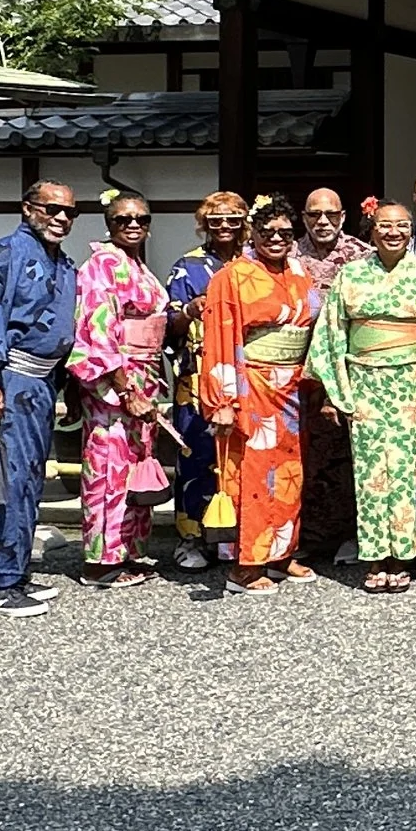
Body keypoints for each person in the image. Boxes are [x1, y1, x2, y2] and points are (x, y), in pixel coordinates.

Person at [0, 182, 79, 617]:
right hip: (9, 380)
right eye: (52, 209)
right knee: (4, 476)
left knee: (28, 477)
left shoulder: (62, 263)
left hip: (41, 385)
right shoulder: (0, 255)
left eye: (69, 212)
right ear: (28, 209)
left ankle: (17, 569)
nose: (61, 218)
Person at [305, 202, 416, 594]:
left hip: (412, 380)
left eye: (401, 225)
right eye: (385, 225)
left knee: (404, 468)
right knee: (368, 472)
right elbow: (333, 334)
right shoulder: (351, 274)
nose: (393, 232)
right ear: (372, 229)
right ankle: (375, 555)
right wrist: (333, 392)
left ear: (411, 229)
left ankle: (402, 554)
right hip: (363, 379)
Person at [199, 195, 324, 596]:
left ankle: (281, 553)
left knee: (289, 472)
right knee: (252, 473)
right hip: (252, 383)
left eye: (285, 233)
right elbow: (219, 338)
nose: (276, 239)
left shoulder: (298, 270)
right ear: (252, 233)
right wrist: (221, 401)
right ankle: (246, 565)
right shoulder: (232, 276)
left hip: (292, 389)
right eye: (267, 231)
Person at [65, 190, 170, 588]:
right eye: (123, 219)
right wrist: (126, 390)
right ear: (108, 223)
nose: (132, 225)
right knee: (109, 467)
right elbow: (96, 333)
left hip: (145, 374)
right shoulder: (101, 265)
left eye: (141, 219)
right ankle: (101, 560)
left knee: (136, 467)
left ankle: (130, 549)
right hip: (116, 382)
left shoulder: (136, 266)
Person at [163, 192, 249, 570]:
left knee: (243, 457)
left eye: (233, 219)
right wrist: (189, 310)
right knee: (196, 455)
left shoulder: (255, 263)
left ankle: (238, 535)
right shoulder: (188, 266)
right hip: (197, 376)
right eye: (216, 221)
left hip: (248, 375)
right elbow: (168, 325)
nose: (225, 227)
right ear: (204, 224)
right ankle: (191, 537)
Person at [289, 187, 371, 565]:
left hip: (344, 372)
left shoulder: (362, 257)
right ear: (303, 218)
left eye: (331, 215)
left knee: (347, 456)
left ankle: (348, 536)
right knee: (300, 457)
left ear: (343, 216)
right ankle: (304, 537)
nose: (323, 222)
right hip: (290, 374)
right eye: (314, 215)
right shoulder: (286, 256)